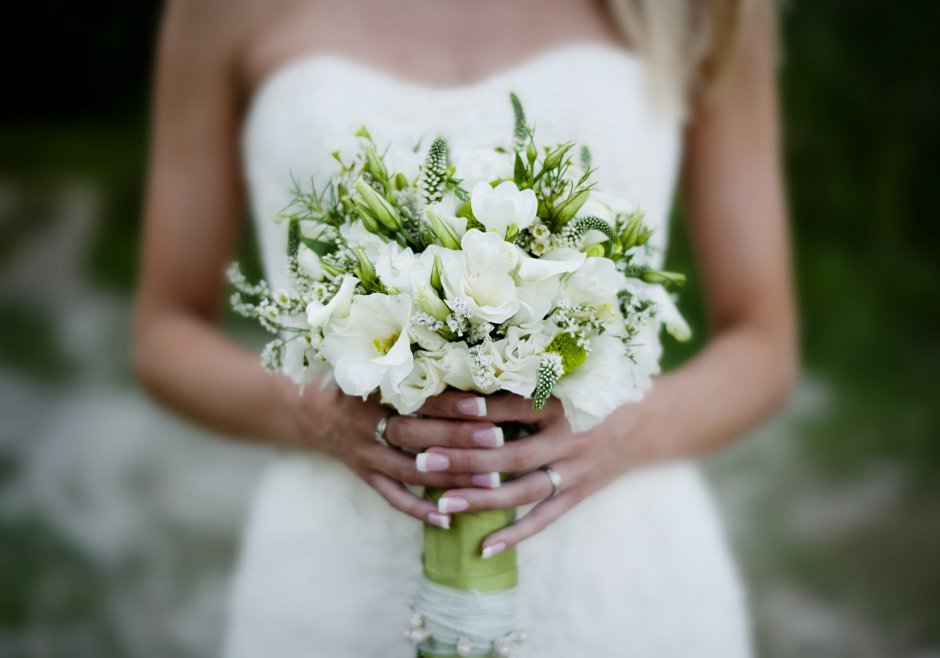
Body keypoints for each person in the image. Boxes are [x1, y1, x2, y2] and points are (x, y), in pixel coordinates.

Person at [133, 0, 796, 655]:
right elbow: (165, 333)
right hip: (331, 587)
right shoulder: (216, 13)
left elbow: (764, 343)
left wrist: (622, 431)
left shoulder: (701, 10)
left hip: (623, 589)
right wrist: (316, 414)